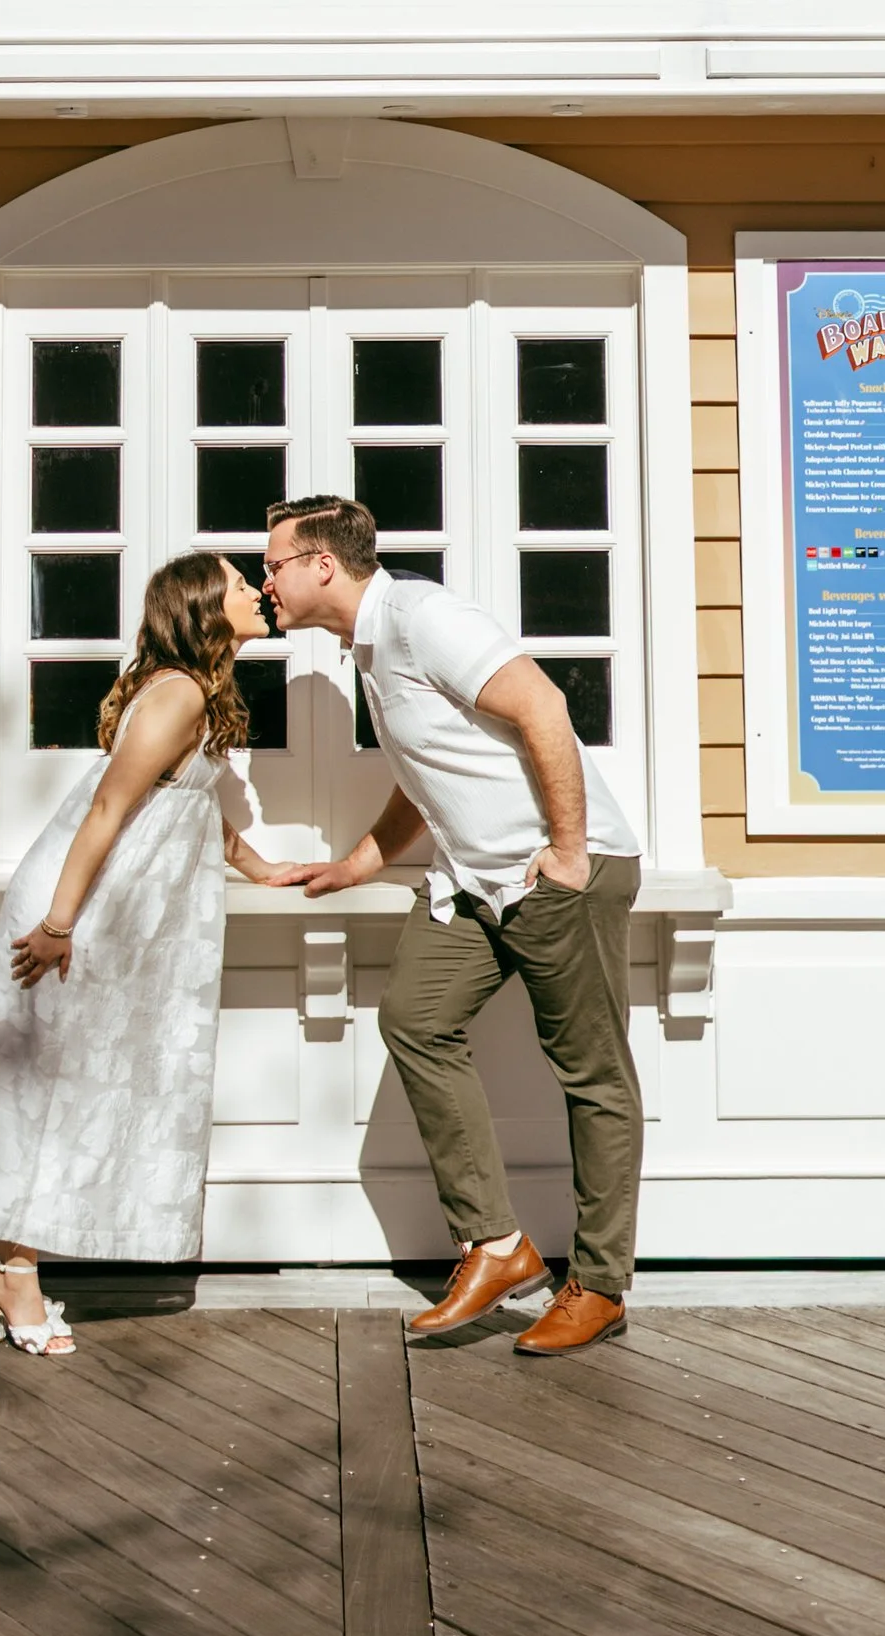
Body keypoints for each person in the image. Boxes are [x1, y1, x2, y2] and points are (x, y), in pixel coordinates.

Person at [264, 494, 643, 1357]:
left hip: (555, 875)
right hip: (476, 883)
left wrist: (572, 852)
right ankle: (500, 1245)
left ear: (324, 564)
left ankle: (600, 1284)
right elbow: (427, 770)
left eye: (274, 562)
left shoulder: (422, 616)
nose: (267, 580)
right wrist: (359, 862)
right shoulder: (370, 645)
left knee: (592, 1076)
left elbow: (542, 706)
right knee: (415, 1018)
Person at [0, 548, 290, 1349]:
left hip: (114, 914)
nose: (256, 591)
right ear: (201, 608)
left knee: (69, 1088)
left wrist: (262, 866)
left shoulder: (194, 691)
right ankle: (15, 1274)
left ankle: (1, 1268)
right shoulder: (180, 692)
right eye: (238, 584)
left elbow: (189, 804)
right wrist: (59, 925)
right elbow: (105, 810)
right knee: (48, 1090)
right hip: (83, 911)